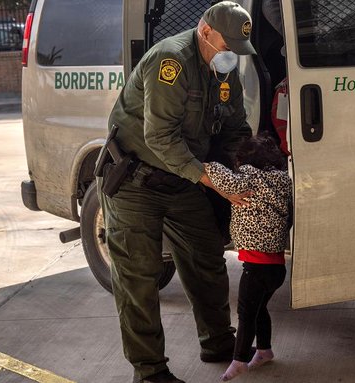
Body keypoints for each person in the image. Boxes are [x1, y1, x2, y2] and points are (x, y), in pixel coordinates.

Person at [97, 2, 256, 382]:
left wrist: (245, 168)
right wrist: (209, 179)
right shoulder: (171, 61)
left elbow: (234, 125)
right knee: (139, 277)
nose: (231, 53)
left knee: (206, 257)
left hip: (181, 180)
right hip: (136, 181)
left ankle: (217, 340)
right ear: (205, 32)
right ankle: (150, 371)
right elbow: (160, 136)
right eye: (227, 44)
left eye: (237, 47)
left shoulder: (223, 70)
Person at [203, 135, 292, 381]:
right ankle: (264, 350)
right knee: (259, 309)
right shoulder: (283, 181)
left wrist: (206, 165)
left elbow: (226, 181)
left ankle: (239, 360)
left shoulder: (249, 177)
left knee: (245, 313)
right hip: (275, 266)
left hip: (257, 265)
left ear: (246, 161)